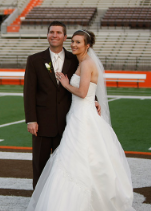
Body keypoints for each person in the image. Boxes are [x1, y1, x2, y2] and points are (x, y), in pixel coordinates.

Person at [26, 30, 135, 210]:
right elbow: (88, 90)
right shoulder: (80, 62)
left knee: (78, 156)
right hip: (75, 114)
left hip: (82, 117)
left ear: (87, 45)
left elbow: (83, 92)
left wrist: (67, 84)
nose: (74, 45)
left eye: (78, 42)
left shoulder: (85, 63)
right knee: (76, 157)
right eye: (73, 42)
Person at [23, 21, 100, 189]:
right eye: (52, 32)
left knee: (64, 166)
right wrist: (31, 120)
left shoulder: (76, 59)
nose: (54, 35)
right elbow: (29, 92)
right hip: (42, 123)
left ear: (65, 37)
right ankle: (39, 202)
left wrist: (95, 100)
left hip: (68, 123)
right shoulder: (35, 60)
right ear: (47, 35)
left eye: (59, 32)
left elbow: (87, 82)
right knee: (40, 165)